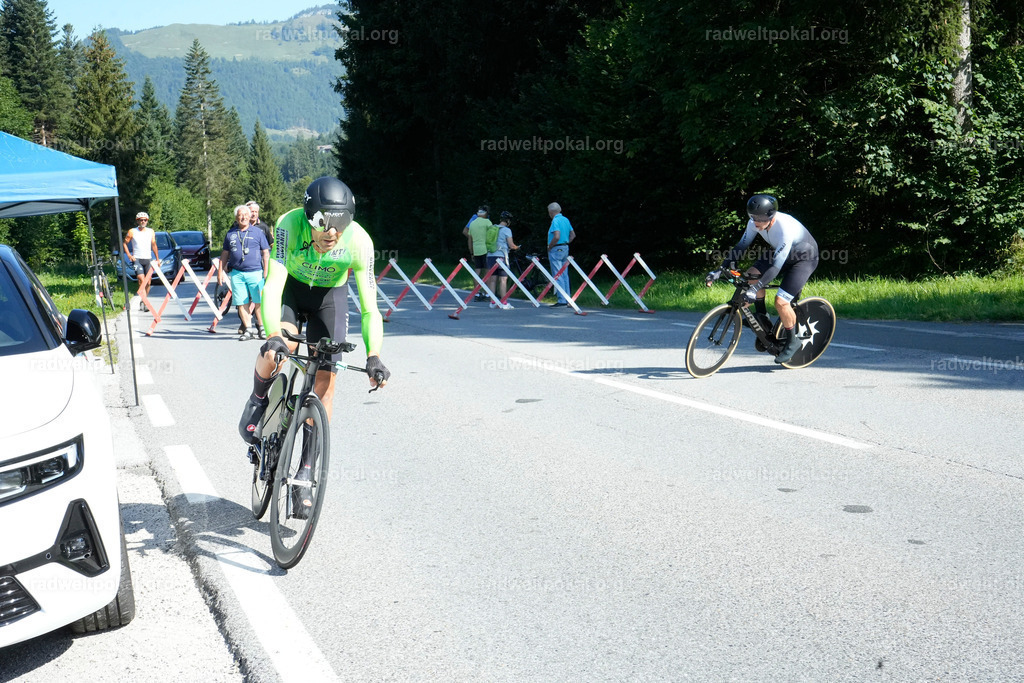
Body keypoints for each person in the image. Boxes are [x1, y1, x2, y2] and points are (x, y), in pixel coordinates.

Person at [237, 176, 390, 516]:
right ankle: (258, 398)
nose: (331, 232)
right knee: (278, 348)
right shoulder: (287, 225)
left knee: (327, 382)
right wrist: (274, 332)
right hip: (291, 290)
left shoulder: (360, 242)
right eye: (323, 223)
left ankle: (305, 472)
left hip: (328, 299)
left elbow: (369, 308)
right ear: (309, 215)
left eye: (340, 224)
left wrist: (374, 355)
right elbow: (273, 284)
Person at [706, 194, 820, 365]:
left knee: (781, 302)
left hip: (803, 258)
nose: (755, 222)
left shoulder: (784, 228)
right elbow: (741, 246)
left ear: (771, 216)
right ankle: (762, 316)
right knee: (751, 275)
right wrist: (720, 270)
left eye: (759, 218)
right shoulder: (754, 222)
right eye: (752, 216)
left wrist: (753, 291)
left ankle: (793, 340)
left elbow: (775, 267)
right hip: (781, 253)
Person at [217, 204, 270, 340]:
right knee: (241, 302)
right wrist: (220, 272)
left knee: (258, 301)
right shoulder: (231, 234)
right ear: (236, 217)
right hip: (237, 273)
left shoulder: (258, 232)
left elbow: (266, 252)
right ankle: (248, 329)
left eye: (246, 215)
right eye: (240, 215)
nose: (244, 217)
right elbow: (224, 254)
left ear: (249, 216)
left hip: (255, 272)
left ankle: (262, 327)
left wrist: (266, 271)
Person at [245, 201, 274, 333]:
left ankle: (259, 324)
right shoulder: (238, 225)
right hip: (243, 266)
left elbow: (271, 244)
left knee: (258, 296)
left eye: (256, 212)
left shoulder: (263, 227)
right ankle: (245, 324)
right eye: (252, 211)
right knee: (245, 297)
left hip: (260, 266)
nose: (254, 214)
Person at [123, 211, 160, 311]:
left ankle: (144, 300)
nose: (143, 221)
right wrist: (130, 255)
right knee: (141, 281)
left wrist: (157, 259)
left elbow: (154, 245)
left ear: (147, 221)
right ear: (137, 221)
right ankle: (146, 303)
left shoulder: (151, 231)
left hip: (148, 258)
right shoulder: (132, 231)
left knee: (148, 283)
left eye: (145, 220)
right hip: (137, 259)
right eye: (141, 220)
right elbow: (125, 243)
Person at [546, 202, 575, 307]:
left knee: (557, 274)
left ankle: (561, 299)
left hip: (556, 248)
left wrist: (550, 246)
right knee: (564, 273)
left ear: (551, 212)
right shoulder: (565, 219)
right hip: (565, 247)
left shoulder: (555, 220)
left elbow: (557, 236)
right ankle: (568, 297)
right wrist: (566, 242)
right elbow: (573, 235)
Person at [488, 211, 519, 308]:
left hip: (490, 256)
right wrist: (517, 247)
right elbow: (511, 245)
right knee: (503, 279)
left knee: (492, 280)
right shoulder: (506, 230)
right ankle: (504, 302)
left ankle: (492, 302)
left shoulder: (492, 228)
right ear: (508, 221)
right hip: (501, 256)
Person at [463, 206, 492, 301]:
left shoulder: (473, 223)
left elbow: (470, 239)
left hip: (476, 250)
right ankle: (487, 293)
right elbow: (491, 236)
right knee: (487, 271)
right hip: (486, 249)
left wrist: (471, 252)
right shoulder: (488, 222)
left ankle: (477, 293)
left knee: (477, 271)